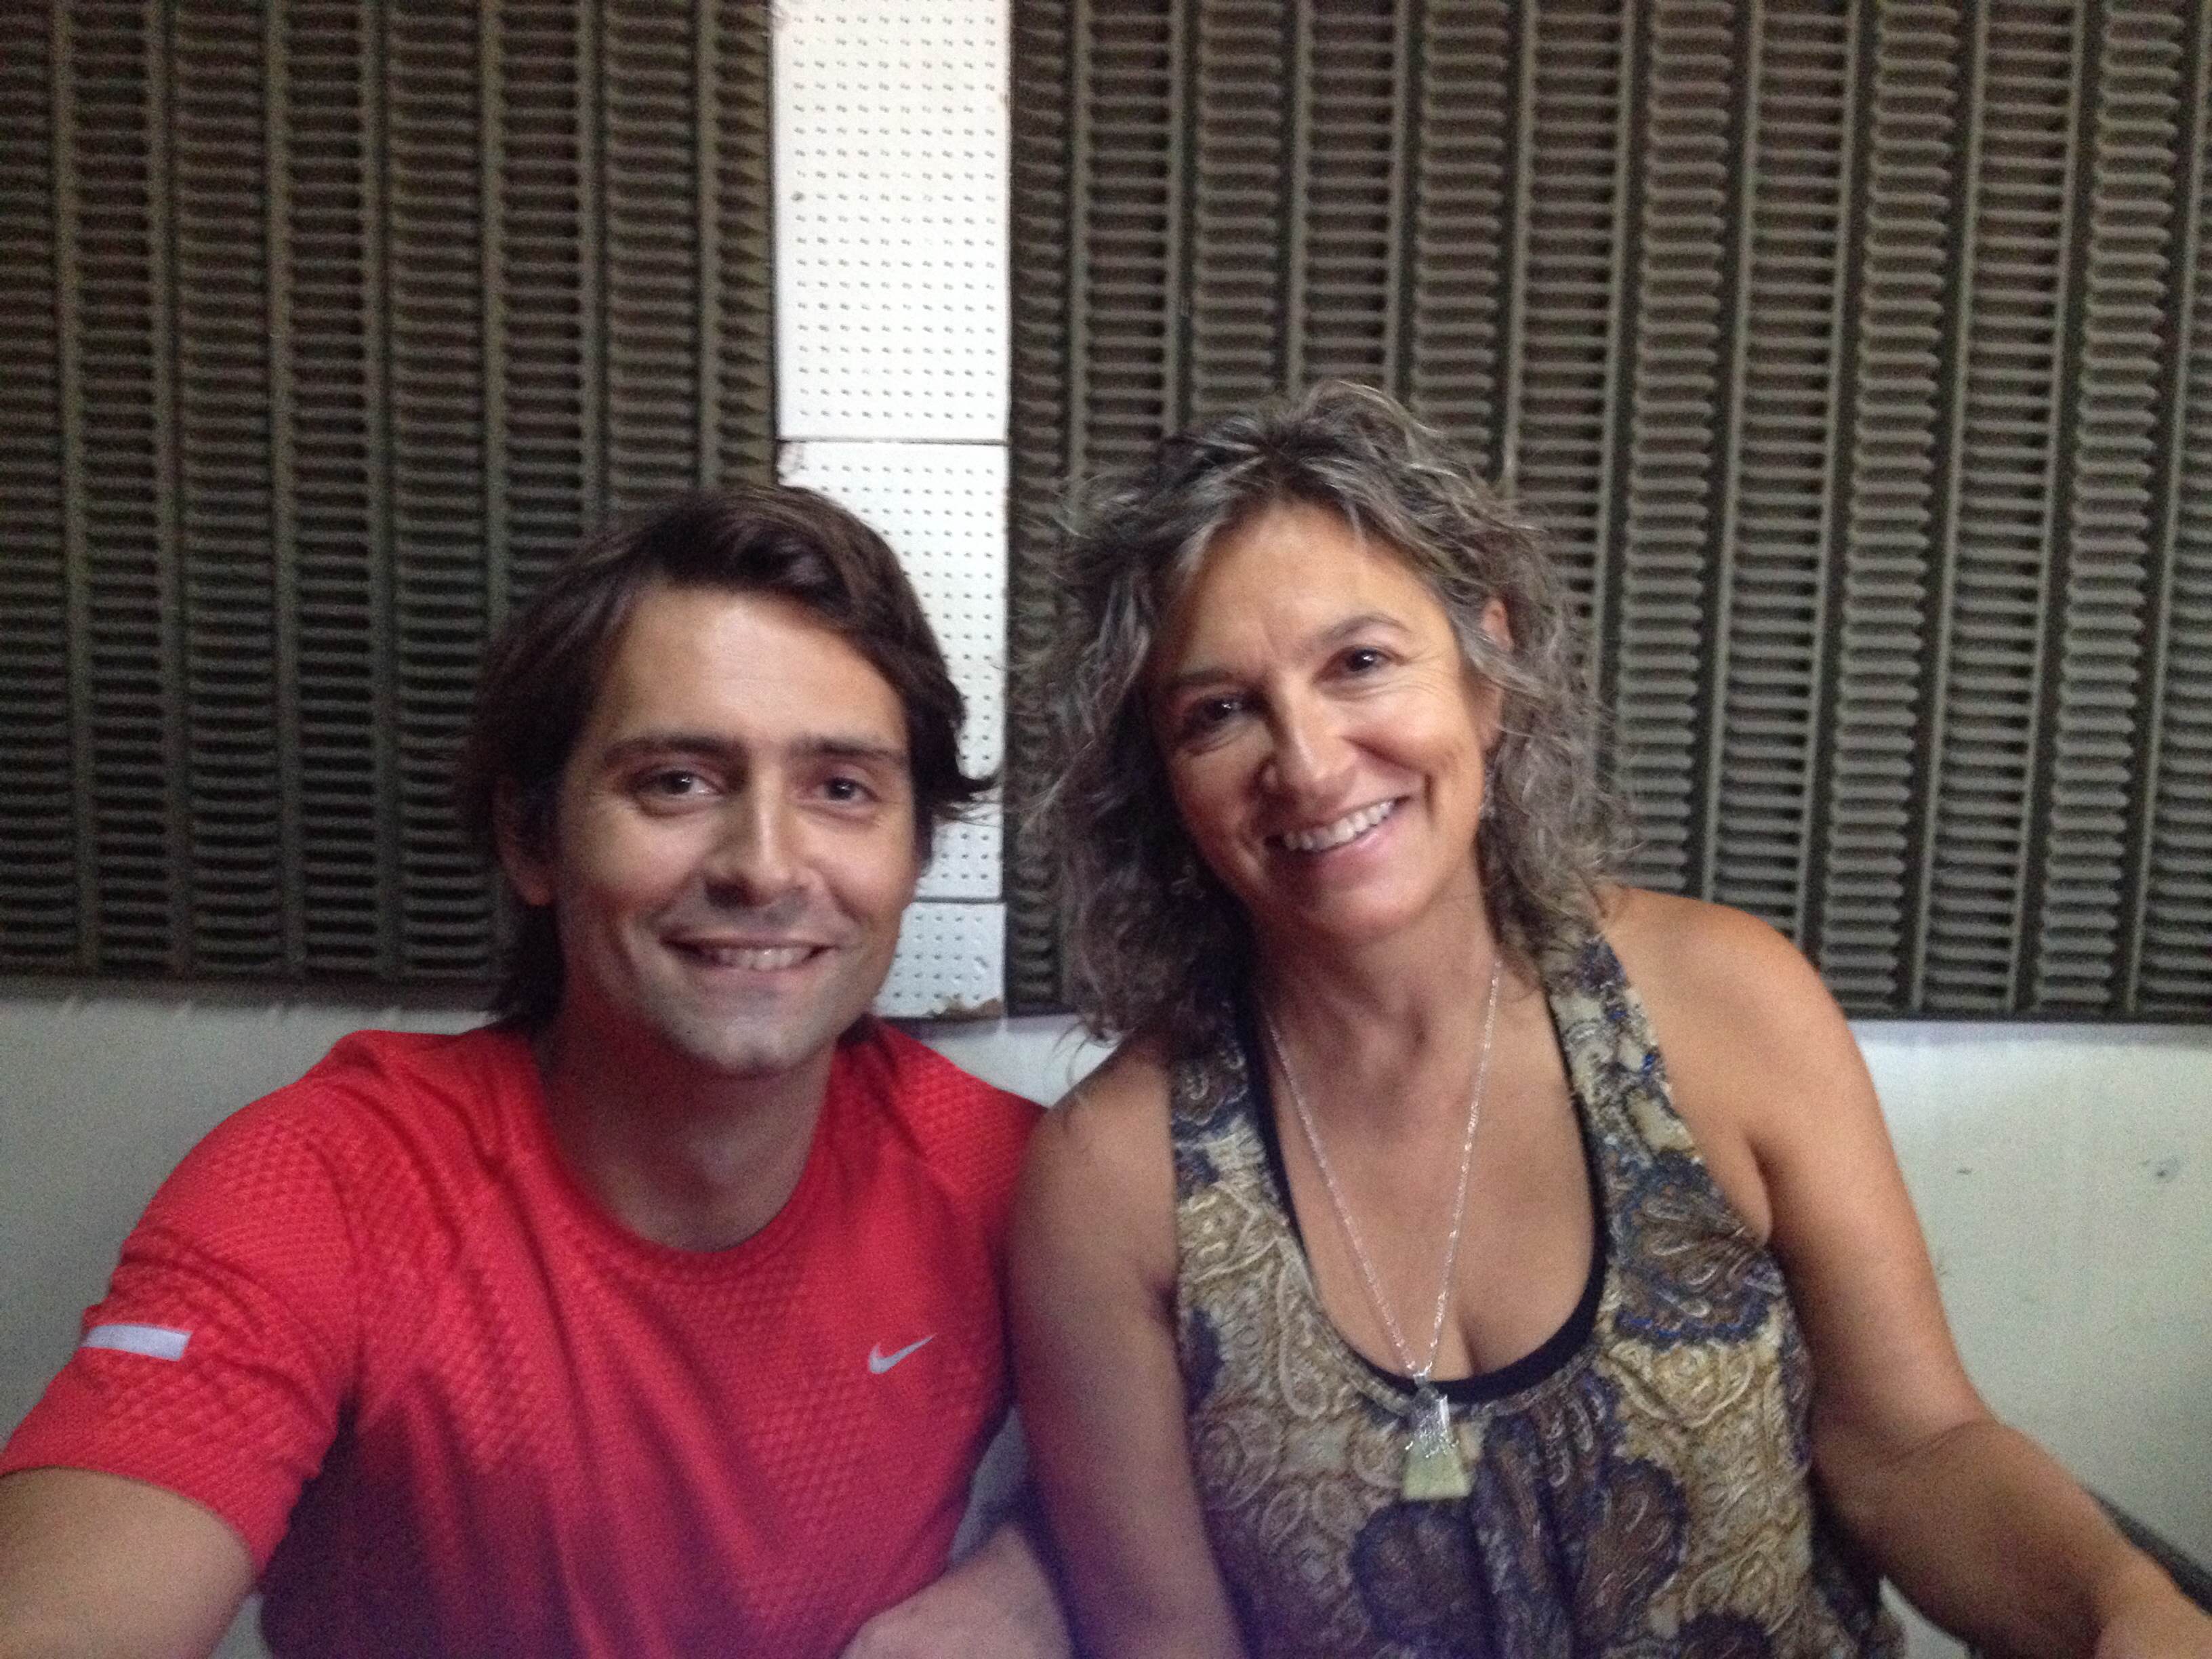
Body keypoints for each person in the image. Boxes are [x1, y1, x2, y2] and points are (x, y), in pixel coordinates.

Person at [1010, 381, 2212, 1657]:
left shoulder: (1727, 1006)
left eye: (1360, 663)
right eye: (1218, 713)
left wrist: (2124, 1606)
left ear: (1488, 673)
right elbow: (1165, 1640)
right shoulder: (1110, 1180)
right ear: (1162, 780)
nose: (1306, 764)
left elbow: (1911, 1451)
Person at [0, 487, 1065, 1659]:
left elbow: (1199, 1477)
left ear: (915, 851)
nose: (765, 867)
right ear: (531, 838)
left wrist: (1020, 1591)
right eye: (677, 781)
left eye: (842, 790)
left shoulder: (1019, 1180)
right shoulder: (327, 1186)